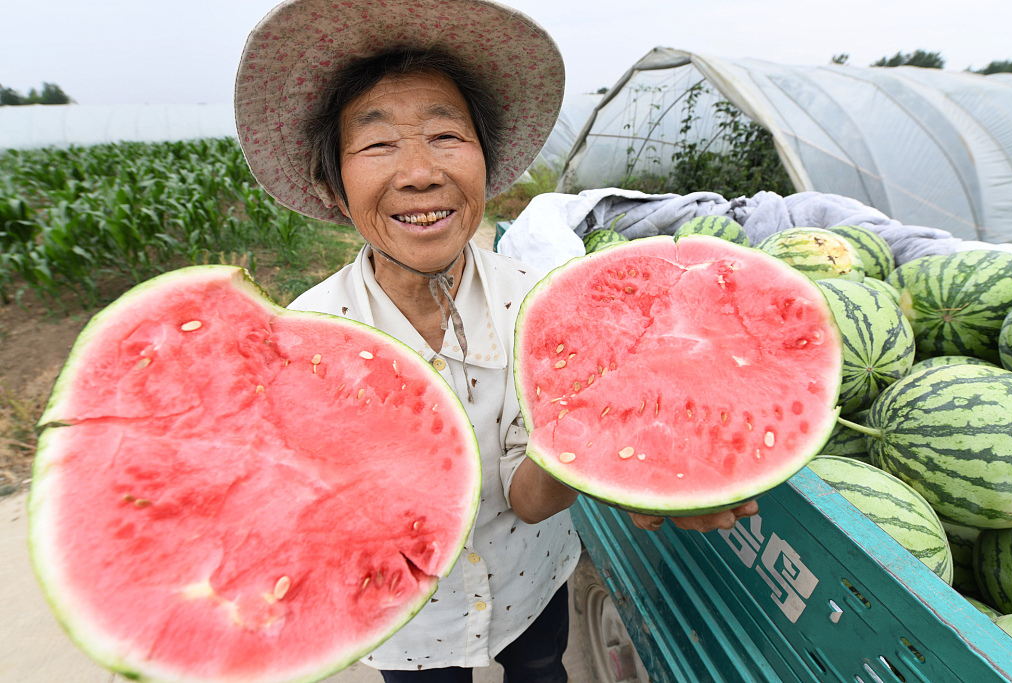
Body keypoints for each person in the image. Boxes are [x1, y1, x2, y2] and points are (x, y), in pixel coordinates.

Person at [234, 1, 757, 680]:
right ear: (332, 185)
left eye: (447, 136)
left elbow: (527, 493)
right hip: (409, 617)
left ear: (485, 161)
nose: (420, 171)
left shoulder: (535, 306)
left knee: (543, 669)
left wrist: (634, 464)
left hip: (529, 579)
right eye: (378, 143)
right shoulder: (308, 336)